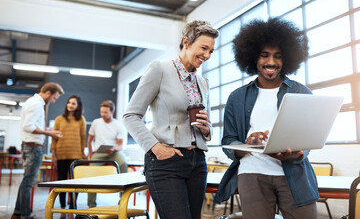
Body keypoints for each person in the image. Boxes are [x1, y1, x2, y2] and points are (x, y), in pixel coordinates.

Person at [214, 18, 319, 219]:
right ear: (253, 58)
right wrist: (247, 145)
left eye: (278, 56)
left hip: (294, 174)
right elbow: (228, 141)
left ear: (287, 59)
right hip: (252, 173)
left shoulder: (301, 92)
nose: (271, 62)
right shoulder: (237, 97)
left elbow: (308, 140)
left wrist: (296, 153)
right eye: (265, 55)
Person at [123, 20, 219, 219]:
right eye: (203, 48)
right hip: (166, 162)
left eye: (211, 51)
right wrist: (155, 148)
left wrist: (207, 129)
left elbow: (203, 123)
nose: (207, 55)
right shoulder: (160, 69)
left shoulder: (203, 82)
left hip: (198, 162)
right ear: (186, 42)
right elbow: (131, 116)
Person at [12, 82, 64, 219]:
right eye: (54, 98)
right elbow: (28, 126)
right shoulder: (36, 104)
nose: (54, 101)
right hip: (33, 148)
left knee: (26, 180)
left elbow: (32, 124)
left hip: (29, 146)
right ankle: (25, 214)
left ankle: (18, 213)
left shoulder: (33, 102)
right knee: (28, 182)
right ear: (48, 93)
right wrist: (49, 134)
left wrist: (46, 129)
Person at [87, 100, 128, 208]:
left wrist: (114, 148)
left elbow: (120, 145)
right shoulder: (96, 122)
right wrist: (90, 155)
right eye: (101, 112)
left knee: (123, 163)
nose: (103, 114)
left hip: (113, 152)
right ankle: (91, 205)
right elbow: (90, 140)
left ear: (112, 112)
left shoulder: (118, 125)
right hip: (99, 152)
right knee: (91, 170)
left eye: (105, 112)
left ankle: (122, 201)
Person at [51, 95, 86, 219]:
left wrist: (83, 153)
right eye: (69, 103)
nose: (70, 105)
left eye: (73, 103)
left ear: (78, 106)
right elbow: (54, 137)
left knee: (75, 184)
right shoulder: (59, 119)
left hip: (76, 155)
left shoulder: (81, 119)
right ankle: (62, 209)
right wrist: (53, 154)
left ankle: (72, 209)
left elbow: (83, 138)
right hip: (61, 154)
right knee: (61, 183)